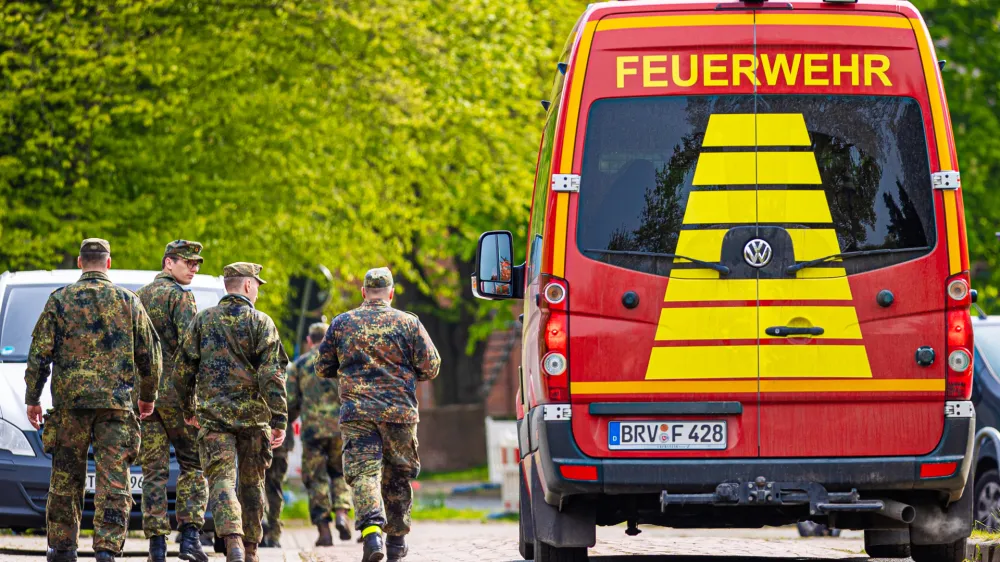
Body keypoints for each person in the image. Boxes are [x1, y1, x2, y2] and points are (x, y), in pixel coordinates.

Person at [25, 238, 162, 562]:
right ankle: (106, 548)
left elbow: (39, 354)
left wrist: (33, 398)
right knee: (113, 478)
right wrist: (147, 397)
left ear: (79, 262)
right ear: (108, 263)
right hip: (115, 406)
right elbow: (150, 357)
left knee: (66, 476)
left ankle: (63, 547)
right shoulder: (129, 301)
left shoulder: (60, 300)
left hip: (71, 405)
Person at [316, 267, 440, 562]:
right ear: (391, 293)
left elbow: (322, 367)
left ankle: (372, 534)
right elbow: (432, 366)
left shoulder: (342, 323)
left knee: (364, 473)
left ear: (363, 292)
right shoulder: (409, 323)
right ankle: (396, 542)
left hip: (357, 413)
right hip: (399, 412)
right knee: (399, 474)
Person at [175, 262, 288, 562]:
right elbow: (272, 375)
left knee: (222, 480)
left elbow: (181, 370)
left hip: (215, 419)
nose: (257, 291)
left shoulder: (203, 320)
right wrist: (279, 418)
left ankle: (233, 540)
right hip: (254, 420)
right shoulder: (261, 322)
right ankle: (250, 550)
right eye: (257, 285)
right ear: (248, 285)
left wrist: (189, 407)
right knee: (253, 484)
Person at [136, 240, 209, 562]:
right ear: (169, 262)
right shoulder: (180, 297)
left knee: (153, 471)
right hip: (178, 399)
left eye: (196, 264)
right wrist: (193, 403)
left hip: (146, 399)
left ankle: (156, 546)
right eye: (187, 262)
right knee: (194, 464)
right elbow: (191, 351)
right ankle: (190, 538)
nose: (193, 269)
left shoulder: (139, 296)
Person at [289, 322, 353, 547]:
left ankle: (324, 531)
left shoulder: (299, 365)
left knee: (315, 478)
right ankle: (342, 514)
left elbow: (291, 402)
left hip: (312, 430)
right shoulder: (340, 361)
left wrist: (288, 420)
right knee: (340, 473)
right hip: (339, 428)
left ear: (309, 340)